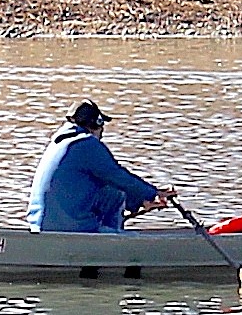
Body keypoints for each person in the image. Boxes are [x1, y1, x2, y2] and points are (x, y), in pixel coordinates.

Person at [27, 99, 177, 233]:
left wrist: (141, 201)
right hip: (69, 227)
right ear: (96, 124)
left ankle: (107, 231)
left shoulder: (57, 143)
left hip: (38, 226)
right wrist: (152, 193)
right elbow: (117, 176)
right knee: (116, 192)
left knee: (107, 189)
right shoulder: (86, 144)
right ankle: (112, 239)